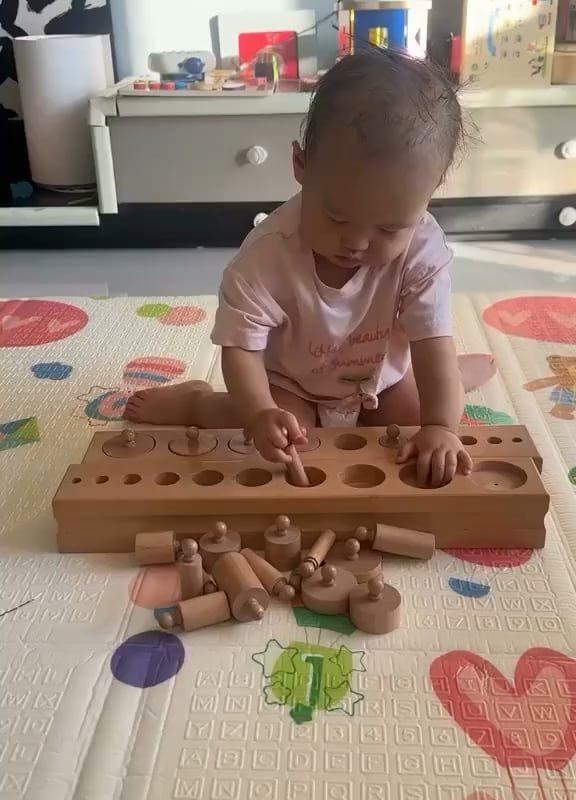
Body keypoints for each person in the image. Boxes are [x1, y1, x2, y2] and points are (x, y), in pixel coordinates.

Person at [126, 49, 495, 488]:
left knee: (418, 416)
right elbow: (240, 350)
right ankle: (196, 403)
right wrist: (261, 413)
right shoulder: (267, 255)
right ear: (301, 165)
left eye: (389, 227)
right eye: (337, 218)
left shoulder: (423, 248)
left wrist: (441, 427)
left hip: (384, 378)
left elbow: (431, 339)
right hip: (293, 382)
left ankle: (454, 377)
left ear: (429, 195)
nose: (357, 243)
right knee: (287, 431)